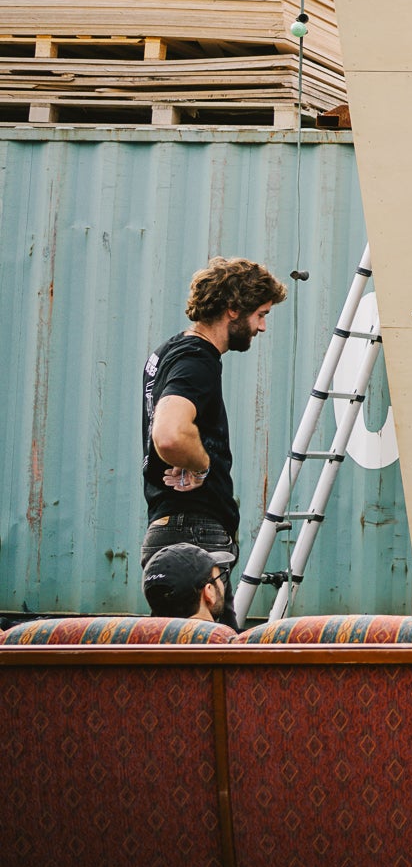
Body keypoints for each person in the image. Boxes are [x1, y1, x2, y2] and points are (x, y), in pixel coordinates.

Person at [142, 256, 287, 630]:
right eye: (260, 314)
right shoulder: (198, 358)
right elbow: (170, 433)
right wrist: (202, 465)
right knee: (214, 659)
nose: (262, 326)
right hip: (195, 532)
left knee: (180, 652)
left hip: (167, 526)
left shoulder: (169, 351)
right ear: (233, 309)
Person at [142, 542, 235, 623]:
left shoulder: (137, 638)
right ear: (209, 592)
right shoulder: (231, 641)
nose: (222, 584)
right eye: (219, 578)